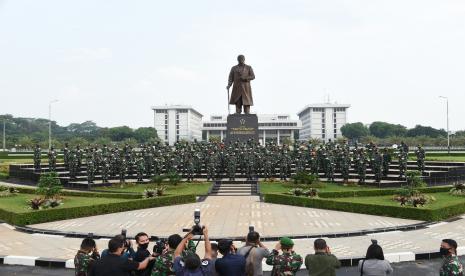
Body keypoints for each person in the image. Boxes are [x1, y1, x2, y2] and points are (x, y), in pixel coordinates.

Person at [90, 236, 155, 276]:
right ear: (119, 248)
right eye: (123, 247)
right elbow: (141, 266)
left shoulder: (95, 263)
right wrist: (148, 258)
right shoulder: (124, 261)